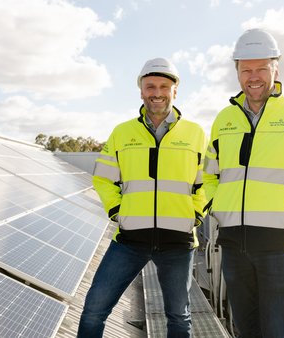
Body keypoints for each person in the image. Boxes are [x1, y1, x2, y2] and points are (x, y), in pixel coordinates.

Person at [202, 28, 284, 338]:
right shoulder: (224, 119)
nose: (254, 76)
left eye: (262, 67)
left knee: (277, 332)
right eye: (246, 69)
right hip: (234, 246)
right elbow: (210, 173)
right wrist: (218, 207)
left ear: (276, 68)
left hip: (279, 247)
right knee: (246, 331)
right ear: (237, 71)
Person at [77, 57, 207, 338]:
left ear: (175, 91)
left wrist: (195, 214)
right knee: (93, 310)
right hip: (130, 239)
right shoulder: (122, 133)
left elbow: (208, 181)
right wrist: (117, 211)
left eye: (163, 86)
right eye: (150, 86)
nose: (157, 93)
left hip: (178, 241)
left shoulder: (195, 134)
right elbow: (103, 178)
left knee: (178, 317)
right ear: (141, 91)